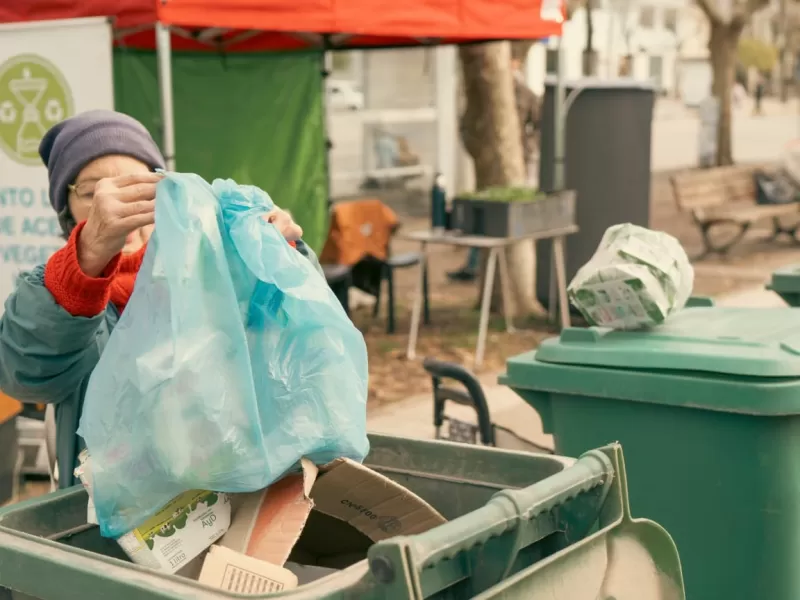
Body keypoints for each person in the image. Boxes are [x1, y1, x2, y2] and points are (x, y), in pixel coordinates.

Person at [0, 110, 318, 488]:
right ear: (66, 210)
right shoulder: (56, 292)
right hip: (113, 511)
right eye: (92, 192)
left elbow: (295, 334)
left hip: (232, 487)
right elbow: (27, 375)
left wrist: (281, 256)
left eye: (137, 188)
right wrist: (85, 262)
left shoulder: (210, 269)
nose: (116, 204)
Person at [448, 55, 540, 282]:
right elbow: (467, 121)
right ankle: (473, 265)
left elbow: (538, 124)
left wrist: (527, 146)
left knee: (508, 220)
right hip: (488, 161)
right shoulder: (483, 89)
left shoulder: (526, 93)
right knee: (483, 217)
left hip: (516, 164)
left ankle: (501, 272)